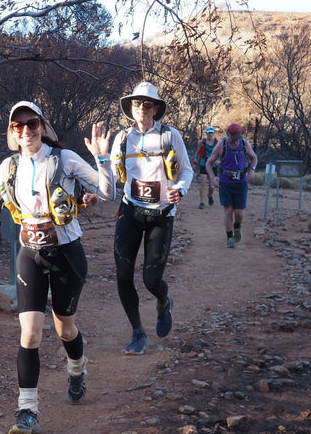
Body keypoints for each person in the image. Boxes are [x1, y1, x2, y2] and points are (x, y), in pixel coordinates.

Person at [0, 101, 115, 434]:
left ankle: (77, 369)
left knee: (64, 330)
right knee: (30, 333)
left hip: (66, 253)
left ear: (43, 126)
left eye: (31, 123)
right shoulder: (10, 166)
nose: (26, 131)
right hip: (29, 254)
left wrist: (102, 161)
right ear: (12, 133)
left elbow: (108, 191)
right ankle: (27, 412)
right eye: (18, 126)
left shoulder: (64, 159)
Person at [109, 82, 193, 354]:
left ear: (155, 109)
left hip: (161, 214)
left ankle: (163, 301)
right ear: (130, 108)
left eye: (147, 104)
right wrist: (99, 160)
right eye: (137, 104)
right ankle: (137, 332)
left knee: (151, 280)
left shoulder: (170, 136)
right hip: (130, 210)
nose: (141, 109)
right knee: (123, 275)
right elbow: (111, 176)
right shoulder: (122, 139)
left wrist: (179, 189)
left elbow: (187, 171)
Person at [206, 123, 258, 248]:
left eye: (238, 135)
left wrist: (252, 170)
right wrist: (212, 178)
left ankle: (237, 226)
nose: (236, 138)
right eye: (234, 136)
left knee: (239, 212)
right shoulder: (221, 145)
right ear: (228, 133)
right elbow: (209, 163)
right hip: (225, 181)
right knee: (228, 210)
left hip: (241, 182)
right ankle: (229, 237)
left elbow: (253, 157)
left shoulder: (244, 144)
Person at [193, 126, 219, 209]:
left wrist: (220, 162)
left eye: (211, 132)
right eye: (208, 133)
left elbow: (220, 154)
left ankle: (210, 195)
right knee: (203, 183)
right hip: (203, 164)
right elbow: (197, 152)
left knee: (212, 185)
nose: (210, 134)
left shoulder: (217, 143)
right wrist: (195, 162)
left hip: (213, 165)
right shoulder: (202, 142)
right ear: (206, 133)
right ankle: (202, 202)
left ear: (213, 133)